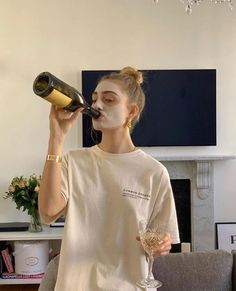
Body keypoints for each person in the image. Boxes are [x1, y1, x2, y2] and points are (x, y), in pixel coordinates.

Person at [39, 67, 180, 291]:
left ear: (131, 112)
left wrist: (162, 245)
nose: (97, 105)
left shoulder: (154, 172)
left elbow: (162, 239)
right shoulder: (72, 162)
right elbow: (47, 212)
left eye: (109, 99)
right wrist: (56, 137)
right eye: (94, 99)